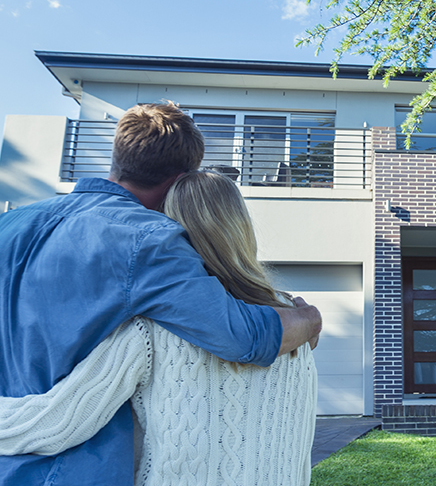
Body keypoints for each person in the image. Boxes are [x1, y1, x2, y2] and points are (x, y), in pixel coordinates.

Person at [0, 103, 322, 486]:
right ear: (181, 181)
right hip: (73, 470)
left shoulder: (11, 223)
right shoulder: (148, 240)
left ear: (118, 155)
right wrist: (307, 319)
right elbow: (240, 336)